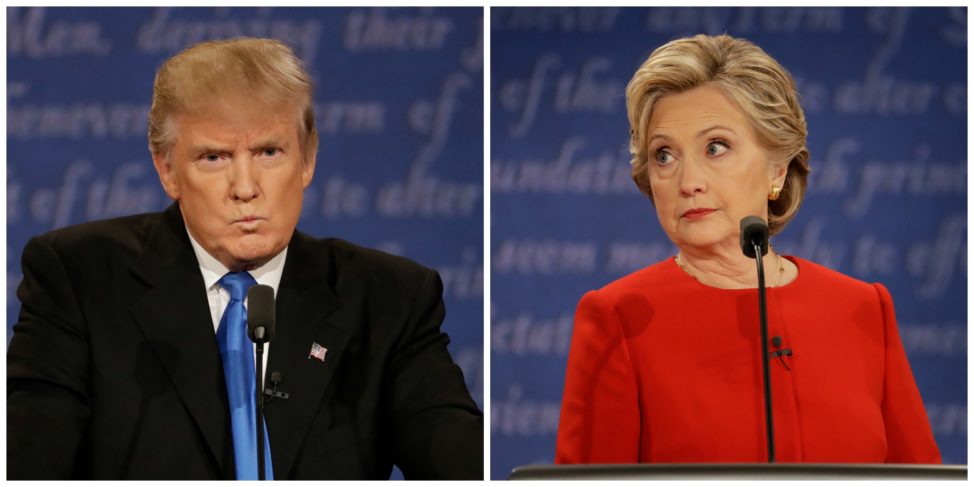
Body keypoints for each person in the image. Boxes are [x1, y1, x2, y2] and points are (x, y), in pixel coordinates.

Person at [7, 37, 483, 480]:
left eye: (269, 151)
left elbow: (461, 465)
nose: (245, 188)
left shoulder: (389, 299)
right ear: (167, 170)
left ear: (309, 158)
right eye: (213, 157)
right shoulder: (77, 279)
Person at [555, 34, 940, 464]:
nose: (688, 181)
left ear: (777, 167)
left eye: (715, 147)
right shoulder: (619, 319)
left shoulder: (864, 308)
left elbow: (920, 474)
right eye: (664, 155)